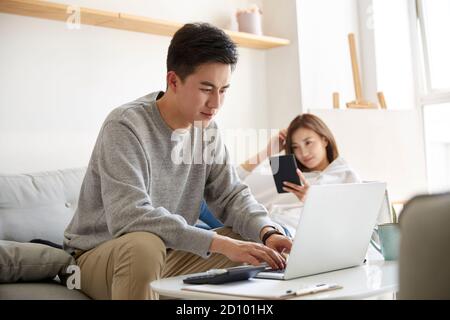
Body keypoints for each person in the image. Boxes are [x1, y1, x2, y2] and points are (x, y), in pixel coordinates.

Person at [63, 23, 292, 300]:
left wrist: (268, 233)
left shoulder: (206, 130)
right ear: (173, 81)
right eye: (206, 88)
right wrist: (218, 243)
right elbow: (130, 216)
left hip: (167, 253)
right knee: (144, 245)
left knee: (252, 242)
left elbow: (231, 196)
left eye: (223, 90)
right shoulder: (125, 125)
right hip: (100, 257)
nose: (216, 103)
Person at [202, 113, 361, 236]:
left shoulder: (344, 176)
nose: (303, 152)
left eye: (308, 142)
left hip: (283, 232)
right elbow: (228, 183)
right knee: (199, 203)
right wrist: (268, 151)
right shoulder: (286, 174)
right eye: (295, 147)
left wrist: (311, 199)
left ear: (325, 140)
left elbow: (348, 224)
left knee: (198, 210)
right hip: (256, 224)